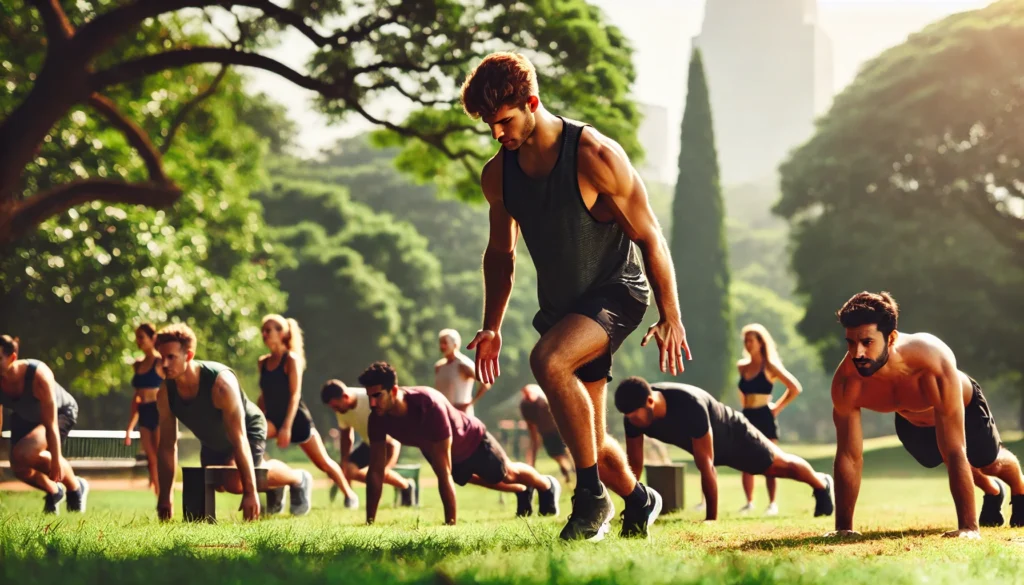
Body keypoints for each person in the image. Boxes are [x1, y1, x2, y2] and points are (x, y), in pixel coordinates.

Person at [460, 51, 690, 541]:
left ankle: (590, 502)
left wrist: (672, 314)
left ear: (532, 102)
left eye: (503, 121)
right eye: (489, 127)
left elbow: (651, 237)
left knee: (548, 360)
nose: (497, 134)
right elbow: (501, 255)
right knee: (591, 436)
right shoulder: (498, 176)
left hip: (618, 292)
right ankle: (639, 498)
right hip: (565, 308)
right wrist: (491, 326)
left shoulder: (594, 155)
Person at [829, 292, 1024, 539]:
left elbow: (955, 449)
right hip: (912, 420)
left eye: (867, 342)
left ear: (891, 338)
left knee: (988, 461)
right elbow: (849, 455)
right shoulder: (847, 382)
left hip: (962, 405)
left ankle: (1019, 487)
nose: (857, 353)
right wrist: (843, 529)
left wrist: (968, 528)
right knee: (942, 458)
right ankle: (993, 491)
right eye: (850, 343)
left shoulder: (931, 362)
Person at [359, 361, 560, 525]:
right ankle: (524, 490)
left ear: (393, 390)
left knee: (507, 474)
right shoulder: (377, 417)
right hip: (440, 448)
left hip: (472, 440)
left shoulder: (428, 405)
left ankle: (547, 485)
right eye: (369, 397)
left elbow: (443, 472)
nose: (372, 403)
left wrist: (450, 524)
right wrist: (370, 522)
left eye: (377, 395)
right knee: (484, 480)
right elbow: (376, 471)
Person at [615, 376, 834, 523]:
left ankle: (821, 483)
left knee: (780, 466)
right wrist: (633, 503)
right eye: (629, 417)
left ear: (650, 401)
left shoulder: (688, 404)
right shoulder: (632, 419)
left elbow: (706, 465)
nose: (632, 421)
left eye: (635, 416)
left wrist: (711, 520)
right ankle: (820, 482)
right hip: (707, 445)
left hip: (734, 434)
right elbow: (634, 463)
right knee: (776, 468)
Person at [154, 323, 313, 521]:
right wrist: (165, 496)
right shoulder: (165, 394)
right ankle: (270, 483)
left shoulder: (221, 385)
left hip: (247, 429)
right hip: (213, 439)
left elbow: (239, 438)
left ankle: (298, 478)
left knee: (235, 483)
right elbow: (167, 447)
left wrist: (250, 492)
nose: (165, 364)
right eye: (162, 358)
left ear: (189, 355)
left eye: (171, 357)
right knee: (217, 483)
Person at [256, 315, 358, 508]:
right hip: (272, 419)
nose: (265, 333)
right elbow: (264, 395)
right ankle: (276, 485)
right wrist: (255, 418)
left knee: (324, 463)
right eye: (264, 330)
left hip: (296, 419)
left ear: (283, 333)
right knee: (251, 440)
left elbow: (295, 395)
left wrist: (286, 427)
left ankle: (349, 494)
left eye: (270, 330)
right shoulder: (263, 362)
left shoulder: (291, 360)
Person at [0, 334, 88, 514]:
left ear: (13, 358)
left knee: (25, 453)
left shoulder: (37, 375)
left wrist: (56, 460)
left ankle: (76, 487)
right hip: (26, 416)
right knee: (19, 467)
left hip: (59, 413)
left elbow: (51, 424)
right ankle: (54, 491)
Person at [736, 323, 803, 516]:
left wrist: (777, 408)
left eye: (751, 340)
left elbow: (794, 388)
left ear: (760, 342)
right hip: (747, 417)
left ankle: (772, 504)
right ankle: (749, 503)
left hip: (764, 416)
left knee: (769, 461)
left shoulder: (770, 366)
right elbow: (742, 391)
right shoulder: (742, 367)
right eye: (745, 340)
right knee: (744, 461)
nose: (748, 344)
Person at [320, 379, 417, 507]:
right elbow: (346, 435)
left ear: (345, 397)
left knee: (380, 474)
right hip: (369, 443)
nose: (335, 410)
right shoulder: (342, 409)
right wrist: (344, 460)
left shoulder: (369, 400)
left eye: (335, 406)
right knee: (348, 470)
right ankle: (354, 498)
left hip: (388, 443)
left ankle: (405, 486)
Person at [124, 323, 163, 495]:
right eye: (137, 337)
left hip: (159, 411)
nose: (138, 341)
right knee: (151, 458)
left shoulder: (161, 362)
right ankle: (159, 497)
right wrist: (129, 427)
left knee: (162, 455)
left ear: (152, 338)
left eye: (142, 337)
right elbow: (136, 398)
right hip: (144, 412)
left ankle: (165, 493)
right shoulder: (138, 365)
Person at [520, 383, 573, 485]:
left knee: (565, 453)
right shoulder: (526, 406)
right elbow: (532, 431)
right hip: (549, 433)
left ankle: (571, 469)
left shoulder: (544, 400)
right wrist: (532, 463)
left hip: (558, 430)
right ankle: (568, 469)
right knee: (558, 454)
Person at [434, 329, 489, 416]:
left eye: (445, 343)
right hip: (443, 414)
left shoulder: (463, 365)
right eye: (441, 343)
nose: (442, 346)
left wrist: (469, 404)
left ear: (455, 345)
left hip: (461, 415)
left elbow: (484, 384)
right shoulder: (439, 366)